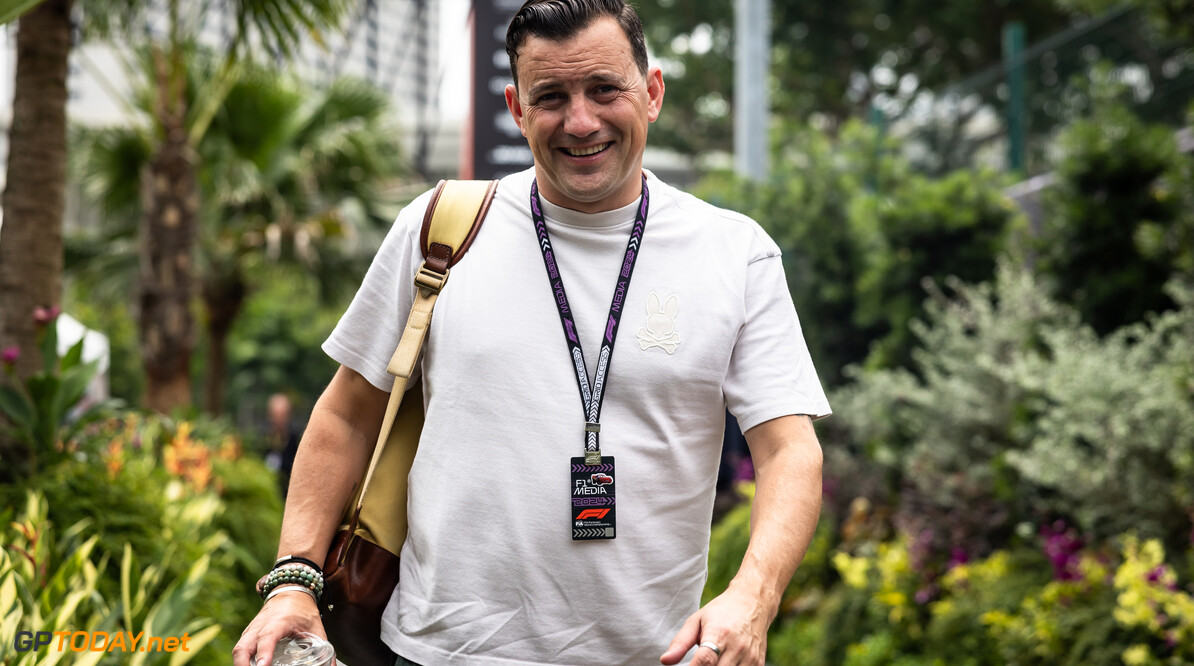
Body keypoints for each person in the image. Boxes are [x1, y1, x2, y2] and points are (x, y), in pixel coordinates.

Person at [234, 1, 830, 665]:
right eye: (552, 97)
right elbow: (347, 415)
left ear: (653, 92)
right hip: (441, 652)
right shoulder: (440, 230)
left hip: (657, 655)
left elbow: (790, 452)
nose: (581, 121)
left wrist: (754, 596)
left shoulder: (734, 253)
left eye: (605, 89)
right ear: (517, 109)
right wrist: (293, 579)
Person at [262, 393, 301, 499]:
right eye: (276, 415)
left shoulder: (296, 439)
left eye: (282, 415)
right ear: (269, 415)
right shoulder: (262, 438)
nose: (279, 420)